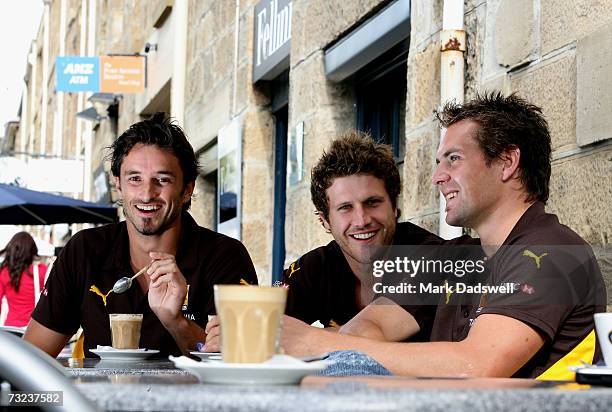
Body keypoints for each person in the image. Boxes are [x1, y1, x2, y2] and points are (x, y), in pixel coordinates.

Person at [279, 92, 606, 380]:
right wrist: (317, 347)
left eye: (454, 159)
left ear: (507, 162)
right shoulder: (452, 259)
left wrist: (314, 341)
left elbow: (476, 365)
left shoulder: (553, 252)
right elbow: (371, 328)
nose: (437, 177)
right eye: (439, 162)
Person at [24, 113, 258, 357]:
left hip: (192, 396)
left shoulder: (225, 257)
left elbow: (241, 362)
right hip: (97, 396)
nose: (147, 194)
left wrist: (176, 322)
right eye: (134, 179)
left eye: (162, 179)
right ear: (118, 185)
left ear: (187, 189)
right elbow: (31, 359)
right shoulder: (84, 251)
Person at [202, 132, 442, 352]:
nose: (362, 219)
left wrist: (274, 335)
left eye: (373, 202)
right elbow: (260, 321)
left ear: (394, 207)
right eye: (345, 208)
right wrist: (236, 328)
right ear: (325, 221)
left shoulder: (429, 257)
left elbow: (370, 333)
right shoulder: (316, 267)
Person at [0, 232, 48, 328]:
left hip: (11, 327)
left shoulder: (4, 272)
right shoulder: (41, 271)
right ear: (32, 250)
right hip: (33, 328)